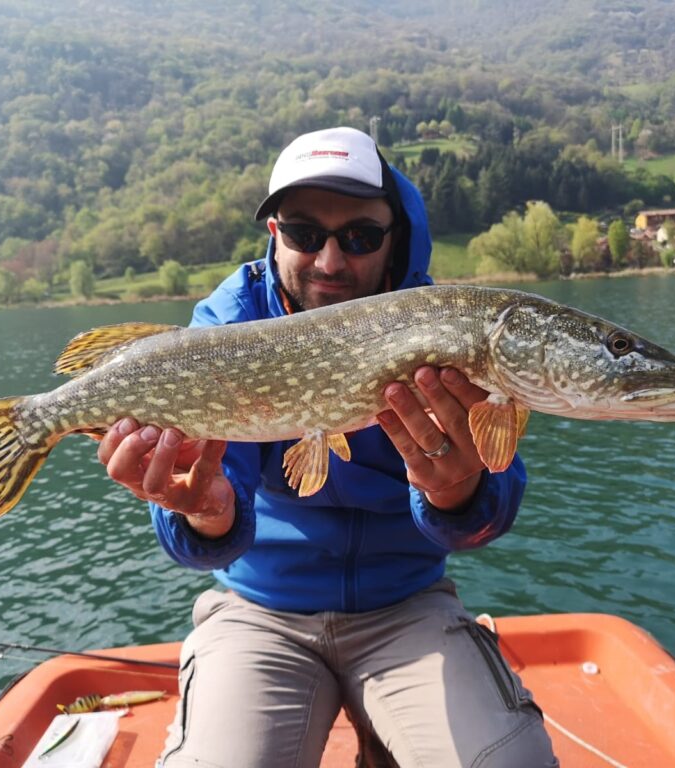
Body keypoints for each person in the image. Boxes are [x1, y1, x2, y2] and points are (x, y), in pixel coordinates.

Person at [98, 127, 558, 768]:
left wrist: (458, 490)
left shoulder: (446, 323)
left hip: (407, 609)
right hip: (261, 613)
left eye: (360, 237)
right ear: (274, 235)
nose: (331, 262)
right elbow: (200, 530)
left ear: (394, 238)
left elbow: (490, 513)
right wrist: (202, 507)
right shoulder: (229, 325)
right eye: (305, 235)